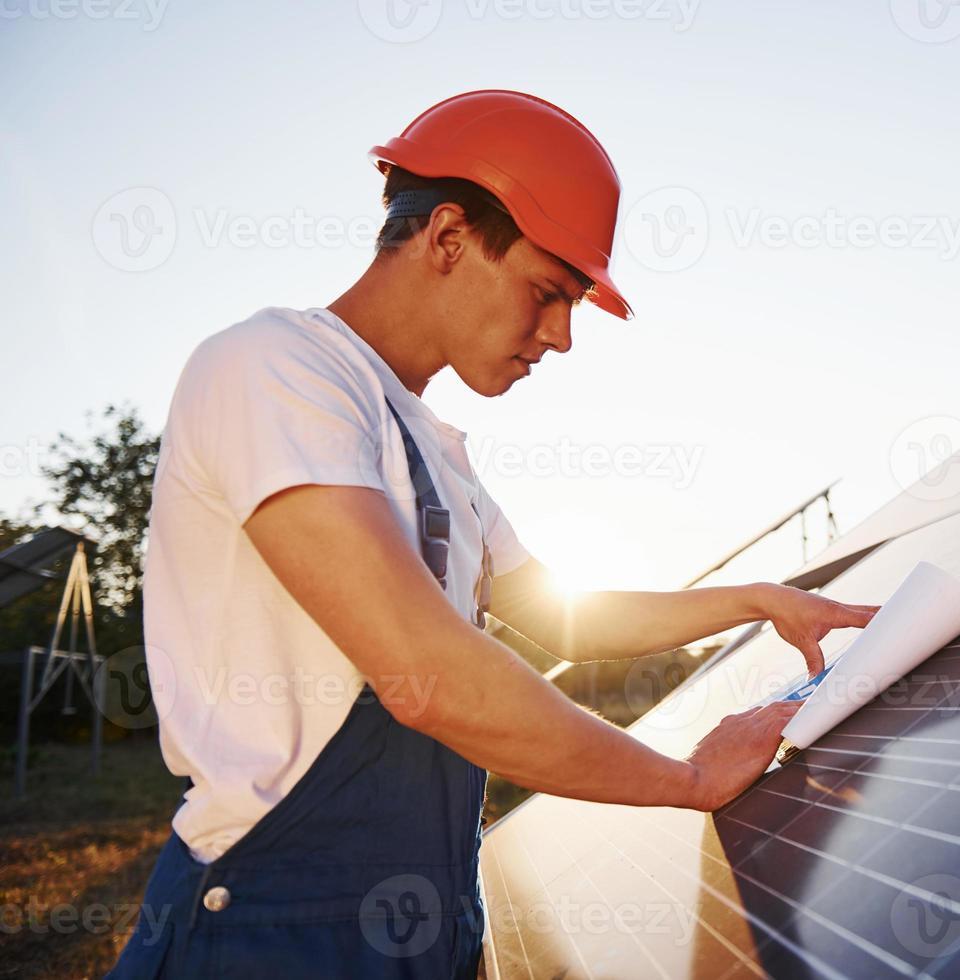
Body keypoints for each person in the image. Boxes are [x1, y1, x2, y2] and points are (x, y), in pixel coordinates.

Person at [106, 91, 877, 979]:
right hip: (273, 926)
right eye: (549, 294)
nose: (561, 338)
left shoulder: (439, 459)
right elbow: (426, 676)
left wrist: (755, 600)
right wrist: (687, 781)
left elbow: (568, 620)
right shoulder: (274, 368)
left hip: (426, 913)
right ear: (446, 240)